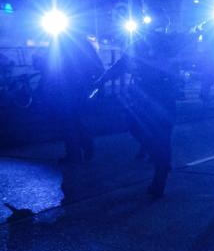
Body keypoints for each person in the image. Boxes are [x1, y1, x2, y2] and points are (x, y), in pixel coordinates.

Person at [102, 14, 183, 198]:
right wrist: (103, 79)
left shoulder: (170, 43)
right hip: (142, 93)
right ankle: (156, 154)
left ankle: (160, 178)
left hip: (162, 95)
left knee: (161, 135)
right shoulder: (138, 44)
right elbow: (122, 63)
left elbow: (185, 47)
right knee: (135, 126)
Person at [47, 33, 104, 164]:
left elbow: (51, 66)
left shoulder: (60, 44)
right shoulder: (81, 44)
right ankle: (84, 148)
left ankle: (76, 153)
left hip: (69, 88)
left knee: (68, 121)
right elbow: (97, 66)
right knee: (72, 120)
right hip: (74, 88)